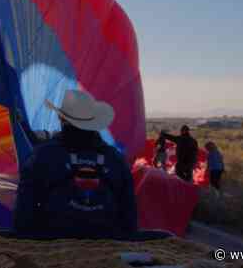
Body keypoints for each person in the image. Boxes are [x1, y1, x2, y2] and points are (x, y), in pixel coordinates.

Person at [13, 89, 168, 241]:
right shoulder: (116, 159)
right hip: (109, 242)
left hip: (54, 240)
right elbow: (129, 220)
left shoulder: (41, 156)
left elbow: (22, 219)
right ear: (94, 123)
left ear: (61, 119)